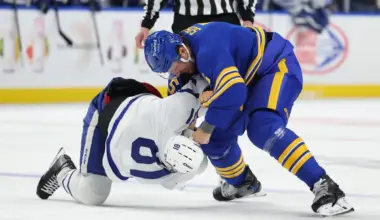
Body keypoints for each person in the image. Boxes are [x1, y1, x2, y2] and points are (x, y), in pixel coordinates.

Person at [143, 23, 354, 216]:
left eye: (173, 67)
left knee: (264, 128)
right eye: (167, 71)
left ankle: (325, 186)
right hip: (243, 78)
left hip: (273, 65)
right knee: (216, 142)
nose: (174, 73)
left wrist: (205, 128)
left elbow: (234, 92)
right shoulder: (182, 62)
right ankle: (242, 183)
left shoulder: (208, 49)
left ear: (182, 51)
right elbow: (181, 110)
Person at [36, 77, 209, 205]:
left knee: (94, 194)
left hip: (127, 123)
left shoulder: (179, 112)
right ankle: (62, 171)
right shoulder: (166, 175)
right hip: (106, 109)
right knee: (93, 194)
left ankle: (63, 171)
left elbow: (198, 88)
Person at [135, 0, 257, 49]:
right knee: (185, 72)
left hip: (224, 19)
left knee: (226, 70)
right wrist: (146, 24)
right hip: (186, 21)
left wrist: (247, 19)